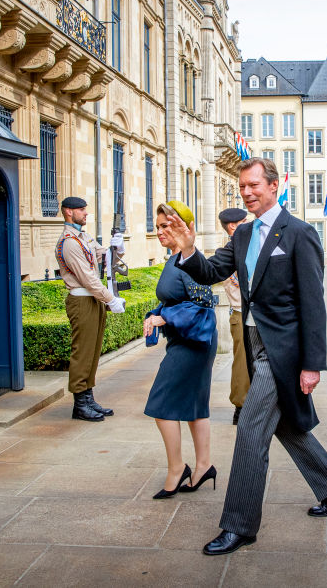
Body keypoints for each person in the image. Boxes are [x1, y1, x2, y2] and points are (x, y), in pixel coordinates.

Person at [164, 157, 327, 556]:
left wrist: (312, 364)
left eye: (253, 185)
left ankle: (239, 525)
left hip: (284, 350)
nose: (247, 193)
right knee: (282, 424)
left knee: (250, 430)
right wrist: (188, 248)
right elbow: (211, 271)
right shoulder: (245, 233)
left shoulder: (300, 233)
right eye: (242, 187)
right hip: (254, 343)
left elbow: (313, 303)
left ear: (273, 186)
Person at [144, 201, 219, 499]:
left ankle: (177, 468)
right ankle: (204, 466)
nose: (160, 231)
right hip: (185, 340)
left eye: (166, 225)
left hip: (193, 343)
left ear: (185, 228)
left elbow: (203, 305)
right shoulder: (174, 259)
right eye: (158, 226)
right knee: (194, 407)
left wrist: (164, 317)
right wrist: (156, 314)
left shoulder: (187, 261)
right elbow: (176, 299)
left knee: (161, 404)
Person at [55, 196, 125, 422]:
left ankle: (88, 397)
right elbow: (88, 278)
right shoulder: (69, 242)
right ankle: (79, 404)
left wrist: (117, 248)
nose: (86, 213)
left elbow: (105, 257)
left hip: (93, 300)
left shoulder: (83, 237)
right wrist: (111, 299)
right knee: (82, 352)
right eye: (81, 210)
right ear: (69, 212)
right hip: (82, 301)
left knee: (92, 352)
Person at [218, 207, 249, 426]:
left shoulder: (245, 247)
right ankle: (241, 406)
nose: (249, 225)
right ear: (233, 226)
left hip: (252, 313)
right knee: (242, 364)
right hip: (240, 312)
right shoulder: (229, 252)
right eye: (244, 222)